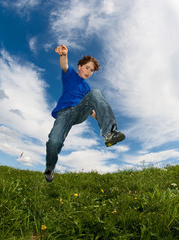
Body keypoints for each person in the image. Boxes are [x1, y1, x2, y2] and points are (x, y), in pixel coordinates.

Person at [44, 44, 125, 182]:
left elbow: (93, 110)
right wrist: (64, 54)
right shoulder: (69, 75)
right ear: (80, 66)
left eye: (91, 70)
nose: (88, 71)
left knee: (95, 93)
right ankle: (50, 169)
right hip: (64, 114)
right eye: (87, 67)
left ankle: (109, 134)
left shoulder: (87, 89)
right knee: (54, 141)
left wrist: (101, 119)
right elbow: (64, 64)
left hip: (80, 112)